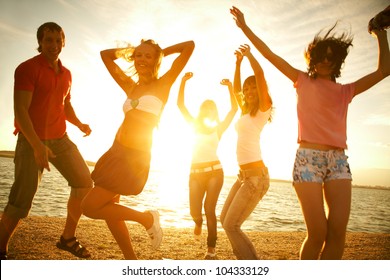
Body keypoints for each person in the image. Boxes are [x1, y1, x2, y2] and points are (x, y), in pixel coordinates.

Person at [230, 6, 390, 260]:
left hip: (338, 162)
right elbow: (270, 56)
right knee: (317, 233)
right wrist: (245, 27)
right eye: (321, 56)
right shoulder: (302, 80)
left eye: (331, 56)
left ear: (337, 60)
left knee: (338, 234)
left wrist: (379, 32)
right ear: (313, 59)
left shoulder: (346, 91)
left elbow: (384, 71)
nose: (326, 60)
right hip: (307, 160)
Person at [81, 39, 194, 260]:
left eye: (147, 56)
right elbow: (105, 54)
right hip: (116, 151)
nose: (142, 60)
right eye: (138, 56)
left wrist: (161, 52)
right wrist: (132, 52)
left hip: (134, 157)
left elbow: (189, 46)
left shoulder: (164, 84)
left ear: (156, 61)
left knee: (90, 207)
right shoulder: (130, 86)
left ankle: (147, 219)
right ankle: (131, 261)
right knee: (110, 208)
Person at [0, 22, 93, 260]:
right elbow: (21, 109)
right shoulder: (27, 69)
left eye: (58, 40)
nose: (54, 45)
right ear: (40, 42)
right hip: (31, 139)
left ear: (64, 42)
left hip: (60, 139)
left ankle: (67, 239)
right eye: (48, 40)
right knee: (21, 201)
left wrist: (79, 123)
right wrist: (36, 145)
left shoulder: (67, 73)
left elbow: (66, 104)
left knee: (84, 182)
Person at [220, 44, 273, 260]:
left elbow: (260, 74)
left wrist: (249, 55)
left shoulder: (263, 110)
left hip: (256, 178)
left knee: (232, 225)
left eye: (253, 88)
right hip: (244, 176)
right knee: (224, 219)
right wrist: (238, 63)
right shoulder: (245, 112)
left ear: (260, 91)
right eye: (247, 88)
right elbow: (236, 90)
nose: (249, 91)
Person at [177, 72, 237, 259]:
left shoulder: (218, 129)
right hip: (195, 173)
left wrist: (230, 88)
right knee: (195, 210)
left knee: (209, 209)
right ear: (201, 110)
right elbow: (180, 105)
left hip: (214, 172)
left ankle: (211, 250)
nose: (208, 111)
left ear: (214, 113)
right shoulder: (193, 124)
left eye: (212, 109)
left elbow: (233, 110)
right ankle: (197, 222)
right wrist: (183, 82)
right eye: (205, 108)